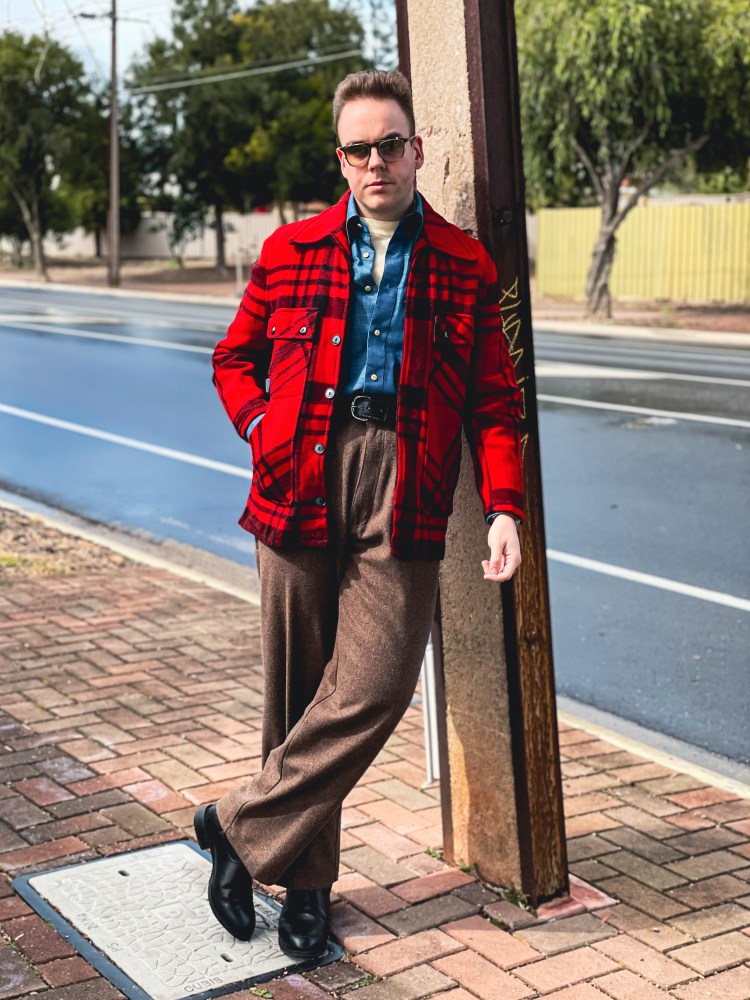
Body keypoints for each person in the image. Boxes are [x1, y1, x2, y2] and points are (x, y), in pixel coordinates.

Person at [196, 69, 524, 959]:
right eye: (359, 148)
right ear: (339, 159)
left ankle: (230, 828)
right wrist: (261, 425)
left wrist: (504, 509)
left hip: (407, 482)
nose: (376, 161)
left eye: (391, 144)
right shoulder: (290, 250)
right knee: (300, 691)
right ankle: (306, 892)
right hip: (298, 472)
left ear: (417, 150)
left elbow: (495, 404)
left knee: (372, 687)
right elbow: (234, 358)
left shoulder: (463, 263)